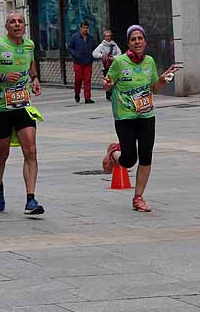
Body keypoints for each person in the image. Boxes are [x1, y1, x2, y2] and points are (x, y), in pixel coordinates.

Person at [101, 25, 180, 213]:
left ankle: (138, 197)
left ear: (145, 41)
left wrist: (162, 80)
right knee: (129, 160)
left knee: (146, 156)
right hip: (124, 117)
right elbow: (108, 85)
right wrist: (108, 84)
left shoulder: (150, 62)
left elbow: (154, 88)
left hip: (146, 115)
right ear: (128, 42)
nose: (137, 42)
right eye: (133, 39)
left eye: (140, 38)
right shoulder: (119, 62)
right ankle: (114, 151)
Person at [0, 12, 45, 216]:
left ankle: (31, 199)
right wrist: (2, 76)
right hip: (1, 108)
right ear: (6, 26)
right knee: (2, 153)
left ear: (25, 25)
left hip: (23, 106)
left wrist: (34, 78)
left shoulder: (29, 45)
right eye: (12, 22)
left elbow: (31, 62)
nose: (17, 25)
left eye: (20, 22)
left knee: (31, 150)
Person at [67, 21, 98, 104]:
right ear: (80, 28)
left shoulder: (91, 38)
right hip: (78, 62)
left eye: (87, 28)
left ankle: (87, 98)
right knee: (78, 79)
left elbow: (95, 48)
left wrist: (93, 56)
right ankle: (77, 93)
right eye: (84, 27)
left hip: (88, 62)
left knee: (87, 80)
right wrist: (75, 55)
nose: (85, 29)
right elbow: (70, 47)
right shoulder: (75, 37)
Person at [92, 30, 122, 101]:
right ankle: (109, 95)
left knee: (115, 79)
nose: (108, 37)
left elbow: (120, 53)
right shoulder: (101, 46)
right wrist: (102, 55)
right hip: (106, 66)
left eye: (109, 36)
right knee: (108, 80)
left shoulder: (114, 44)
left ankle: (114, 94)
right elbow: (94, 53)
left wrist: (114, 58)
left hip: (114, 65)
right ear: (104, 37)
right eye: (106, 36)